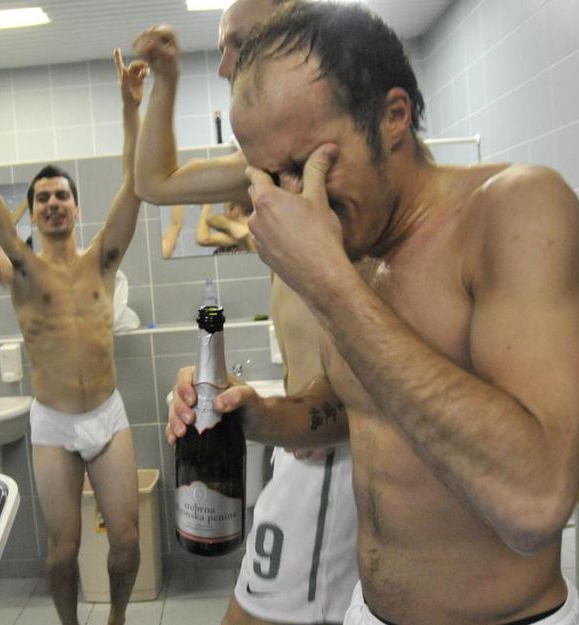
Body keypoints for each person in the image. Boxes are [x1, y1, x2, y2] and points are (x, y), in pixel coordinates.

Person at [168, 3, 579, 625]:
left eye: (308, 165)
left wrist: (330, 285)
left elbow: (536, 504)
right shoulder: (358, 244)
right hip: (369, 611)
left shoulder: (516, 210)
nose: (296, 199)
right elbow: (353, 406)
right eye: (271, 178)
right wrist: (254, 415)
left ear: (392, 117)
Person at [134, 3, 359, 625]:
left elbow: (351, 383)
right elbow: (154, 182)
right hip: (304, 443)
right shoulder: (268, 173)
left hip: (335, 456)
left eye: (237, 44)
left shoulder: (342, 182)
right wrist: (166, 79)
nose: (224, 65)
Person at [0, 52, 147, 625]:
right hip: (52, 422)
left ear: (75, 206)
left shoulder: (102, 261)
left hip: (107, 416)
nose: (51, 203)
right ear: (34, 213)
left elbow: (135, 185)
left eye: (60, 195)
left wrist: (130, 108)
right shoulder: (23, 270)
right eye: (42, 197)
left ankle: (116, 618)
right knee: (62, 551)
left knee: (126, 539)